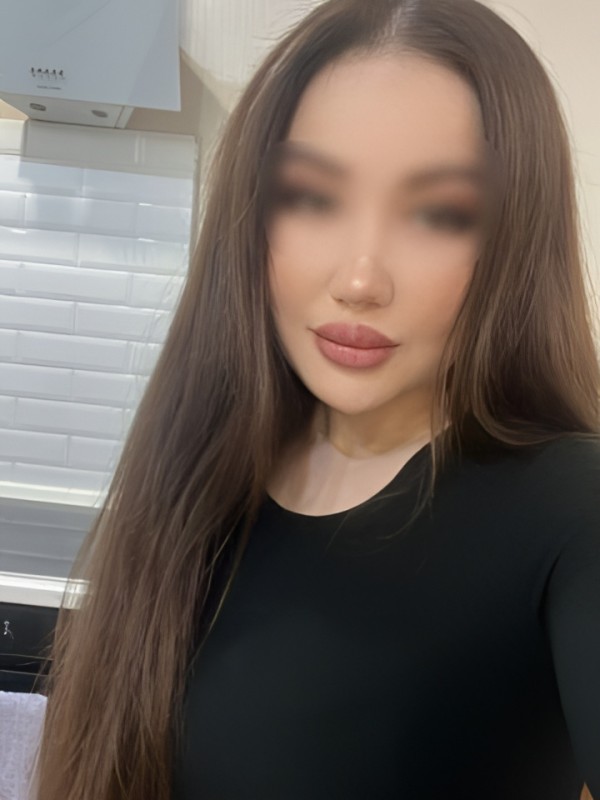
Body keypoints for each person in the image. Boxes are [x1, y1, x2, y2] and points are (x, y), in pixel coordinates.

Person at [32, 1, 600, 798]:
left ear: (514, 242)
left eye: (439, 213)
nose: (360, 279)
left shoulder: (571, 504)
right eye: (311, 196)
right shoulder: (200, 476)